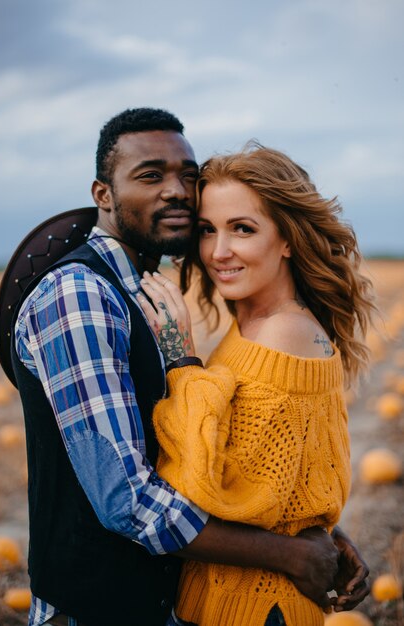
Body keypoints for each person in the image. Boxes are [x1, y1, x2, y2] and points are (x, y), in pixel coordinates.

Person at [8, 108, 369, 626]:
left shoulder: (151, 295)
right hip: (101, 606)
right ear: (103, 195)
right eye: (151, 175)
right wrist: (292, 551)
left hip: (187, 601)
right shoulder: (81, 295)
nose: (177, 190)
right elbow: (129, 501)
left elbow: (249, 471)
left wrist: (314, 533)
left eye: (187, 176)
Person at [138, 142, 376, 626]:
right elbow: (282, 472)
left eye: (242, 229)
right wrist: (328, 532)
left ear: (287, 239)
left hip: (258, 608)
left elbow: (207, 488)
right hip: (233, 599)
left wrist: (180, 359)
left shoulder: (282, 333)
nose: (218, 252)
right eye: (207, 231)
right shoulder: (253, 321)